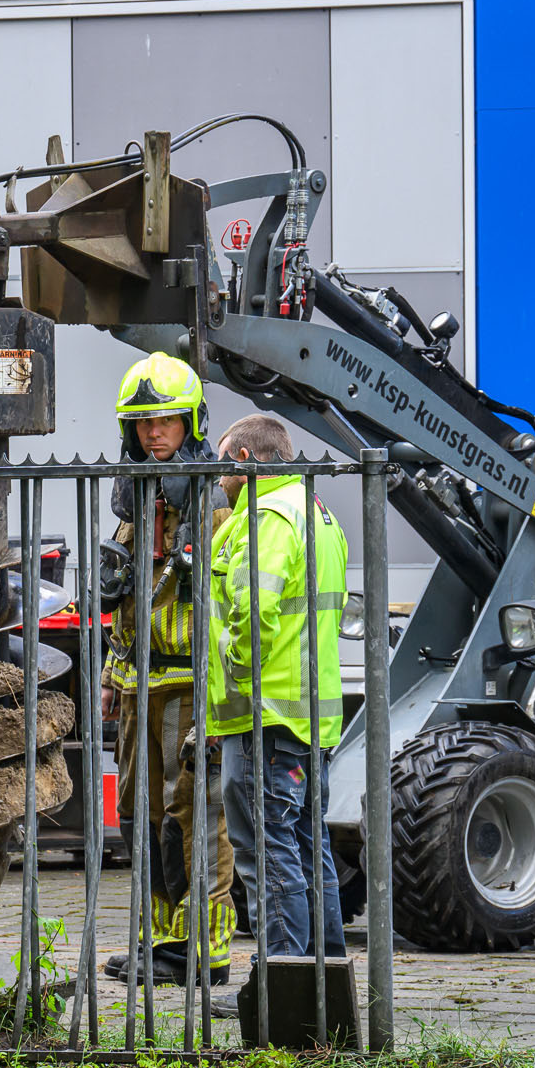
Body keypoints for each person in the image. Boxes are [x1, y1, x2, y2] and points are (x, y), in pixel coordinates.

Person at [98, 353, 237, 985]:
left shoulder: (212, 508)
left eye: (168, 421)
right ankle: (162, 942)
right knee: (141, 815)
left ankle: (204, 950)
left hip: (189, 681)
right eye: (143, 423)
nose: (155, 433)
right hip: (136, 686)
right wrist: (108, 673)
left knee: (197, 816)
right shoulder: (133, 510)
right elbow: (125, 601)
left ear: (192, 424)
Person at [206, 414, 349, 1018]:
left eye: (223, 467)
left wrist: (235, 684)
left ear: (244, 460)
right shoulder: (320, 515)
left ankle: (282, 993)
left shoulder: (265, 517)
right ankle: (326, 984)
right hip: (308, 719)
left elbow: (252, 614)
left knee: (268, 854)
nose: (219, 480)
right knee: (309, 847)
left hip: (264, 719)